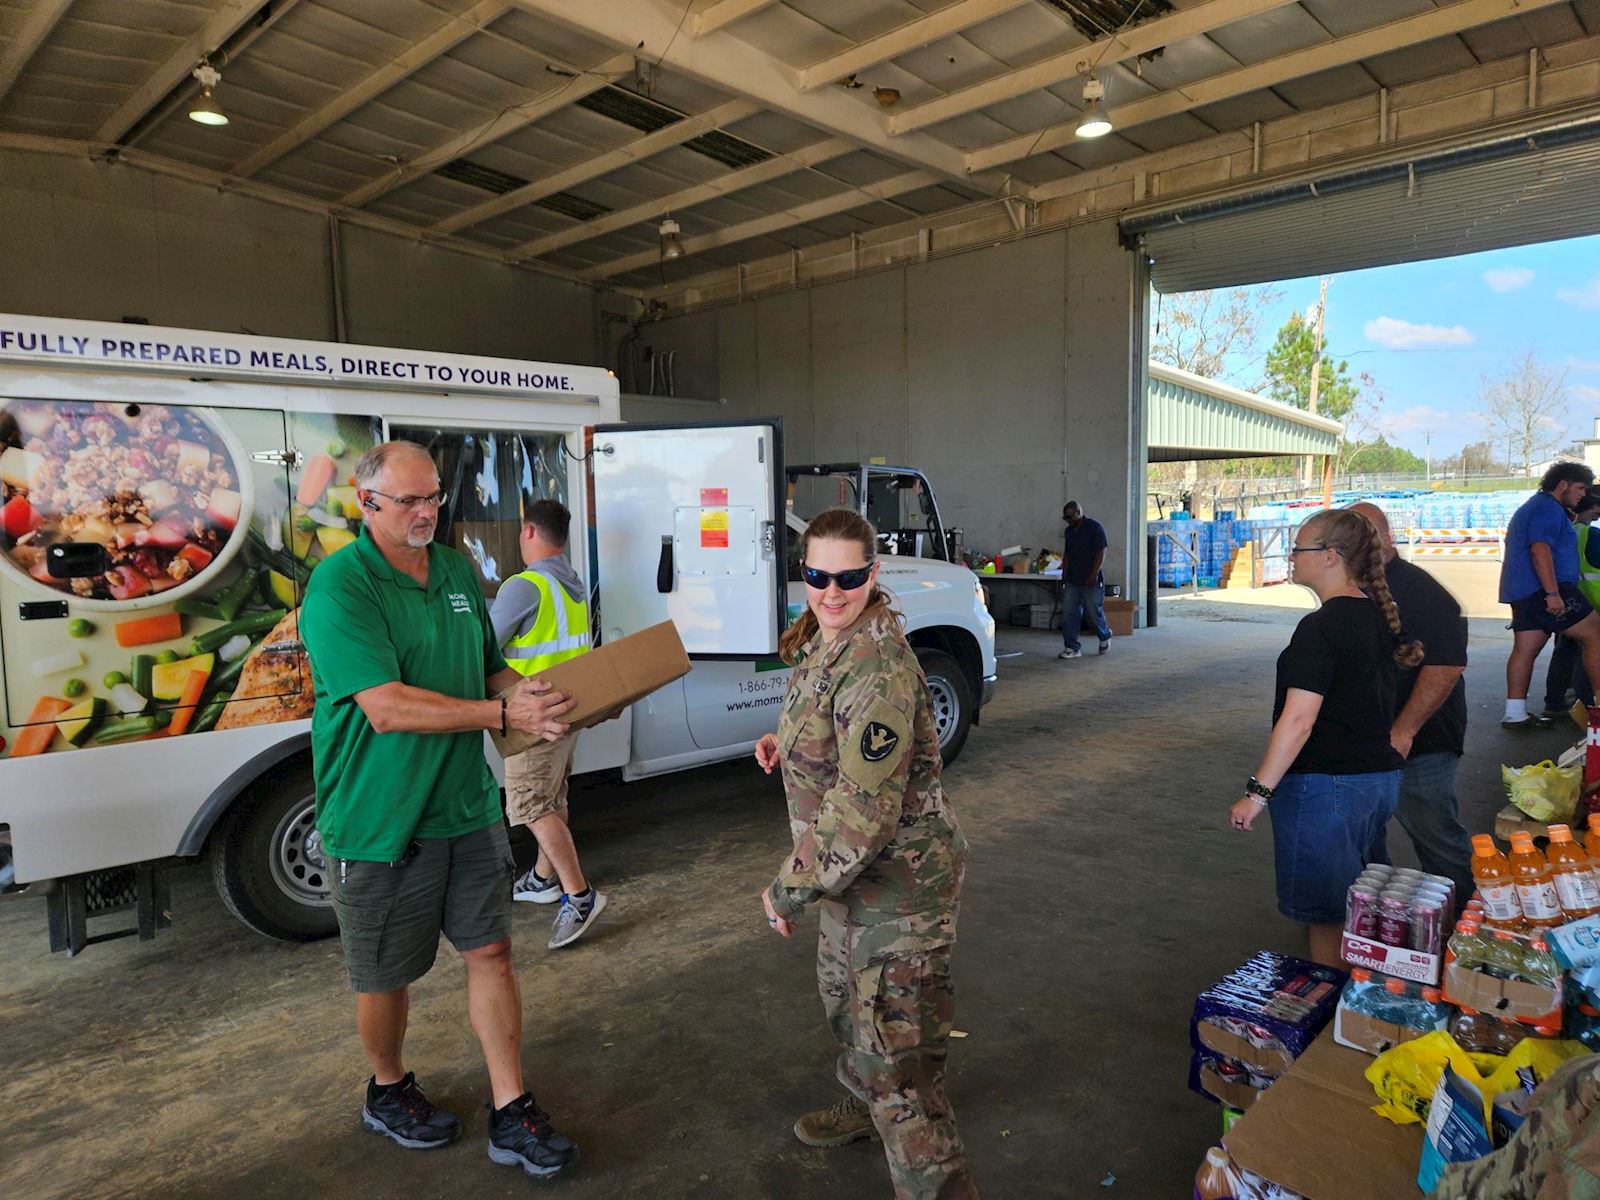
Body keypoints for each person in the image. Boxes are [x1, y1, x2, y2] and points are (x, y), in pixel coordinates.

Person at [299, 440, 580, 1180]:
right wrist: (495, 707)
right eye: (409, 502)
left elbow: (487, 667)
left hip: (465, 804)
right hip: (379, 819)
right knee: (385, 976)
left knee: (491, 951)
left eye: (433, 499)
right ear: (367, 504)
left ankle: (512, 1107)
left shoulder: (456, 570)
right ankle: (387, 1089)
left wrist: (537, 698)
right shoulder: (340, 588)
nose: (426, 513)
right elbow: (386, 707)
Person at [755, 507, 977, 1200]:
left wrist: (787, 888)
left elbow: (864, 809)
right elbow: (826, 715)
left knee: (897, 1067)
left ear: (872, 574)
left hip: (896, 888)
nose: (831, 590)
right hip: (851, 882)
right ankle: (861, 1108)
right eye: (817, 574)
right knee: (844, 1006)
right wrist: (785, 742)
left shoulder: (878, 663)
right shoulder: (834, 636)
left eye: (848, 576)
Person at [1229, 508, 1423, 967]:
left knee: (1328, 918)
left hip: (1327, 787)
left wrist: (1257, 793)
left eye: (1300, 548)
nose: (1292, 556)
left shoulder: (1321, 627)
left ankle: (1327, 1021)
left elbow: (1298, 721)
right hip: (1375, 782)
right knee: (1359, 905)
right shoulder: (1378, 617)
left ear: (1331, 556)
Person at [491, 499, 608, 950]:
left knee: (531, 805)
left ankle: (579, 895)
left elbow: (483, 644)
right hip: (566, 711)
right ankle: (543, 880)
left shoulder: (524, 586)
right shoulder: (571, 583)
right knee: (553, 797)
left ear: (528, 533)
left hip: (533, 717)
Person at [1350, 504, 1474, 908]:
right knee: (1364, 844)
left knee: (1438, 841)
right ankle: (1373, 927)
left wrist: (1404, 731)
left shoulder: (1420, 591)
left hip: (1422, 744)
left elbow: (1447, 664)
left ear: (1388, 539)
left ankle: (1462, 935)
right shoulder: (1353, 591)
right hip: (1369, 743)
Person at [1499, 462, 1600, 730]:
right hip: (1548, 589)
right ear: (1563, 485)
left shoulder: (1536, 506)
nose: (1582, 495)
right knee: (1596, 635)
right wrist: (1553, 593)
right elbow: (1539, 549)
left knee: (1526, 649)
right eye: (1580, 488)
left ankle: (1515, 713)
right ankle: (1599, 706)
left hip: (1524, 591)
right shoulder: (1547, 509)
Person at [1541, 487, 1600, 718]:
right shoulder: (1591, 536)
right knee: (1590, 653)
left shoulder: (1565, 531)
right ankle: (1589, 707)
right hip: (1591, 605)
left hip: (1566, 600)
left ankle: (1554, 702)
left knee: (1564, 652)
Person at [1057, 500, 1112, 660]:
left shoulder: (1094, 528)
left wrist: (1093, 573)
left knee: (1093, 611)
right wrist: (1064, 575)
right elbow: (1067, 554)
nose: (1067, 521)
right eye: (1065, 518)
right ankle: (1071, 646)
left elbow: (1102, 551)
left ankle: (1105, 635)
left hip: (1091, 578)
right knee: (1069, 612)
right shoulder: (1069, 532)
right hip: (1073, 579)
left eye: (1069, 517)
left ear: (1078, 513)